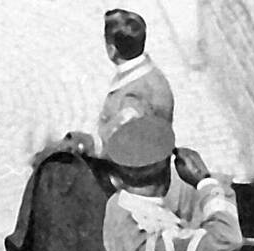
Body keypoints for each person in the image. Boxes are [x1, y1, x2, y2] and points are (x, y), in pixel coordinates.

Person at [100, 116, 242, 251]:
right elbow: (227, 239)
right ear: (169, 169)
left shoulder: (119, 206)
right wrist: (206, 181)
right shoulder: (148, 246)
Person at [63, 9, 175, 157]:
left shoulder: (133, 99)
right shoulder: (151, 74)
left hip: (131, 171)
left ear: (112, 50)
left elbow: (112, 140)